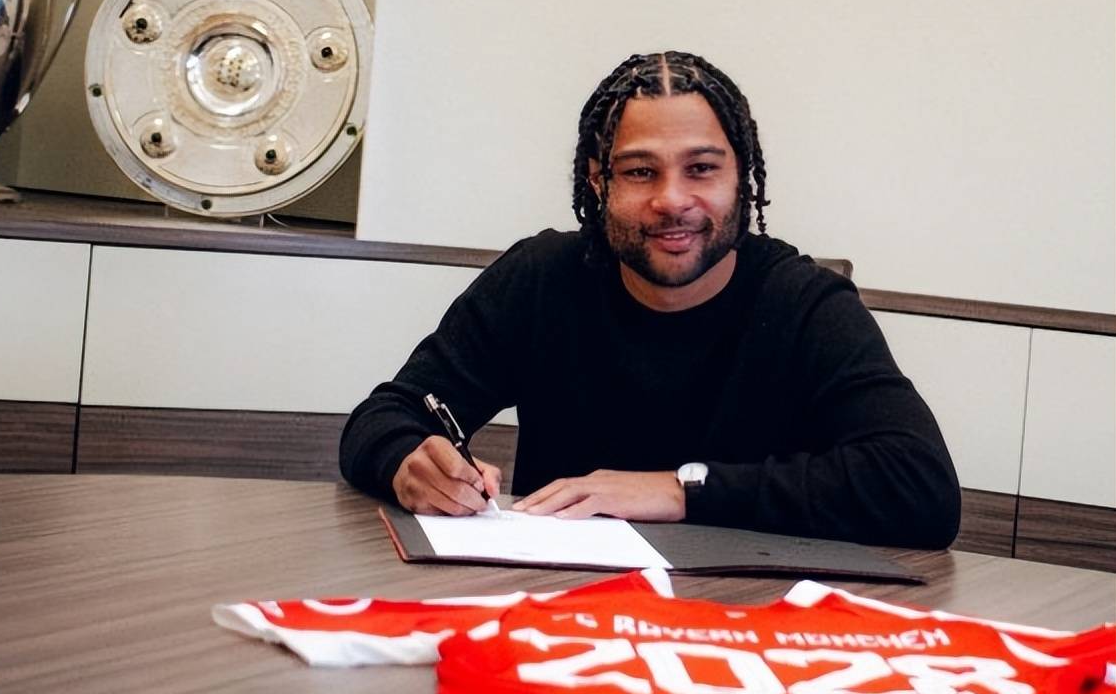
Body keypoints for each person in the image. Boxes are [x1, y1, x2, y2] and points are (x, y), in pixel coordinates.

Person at [339, 51, 960, 548]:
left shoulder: (804, 302)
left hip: (750, 619)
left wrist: (680, 490)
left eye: (701, 169)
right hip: (557, 609)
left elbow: (921, 488)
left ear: (740, 177)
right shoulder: (541, 279)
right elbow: (385, 416)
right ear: (597, 180)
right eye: (640, 171)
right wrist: (408, 462)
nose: (672, 200)